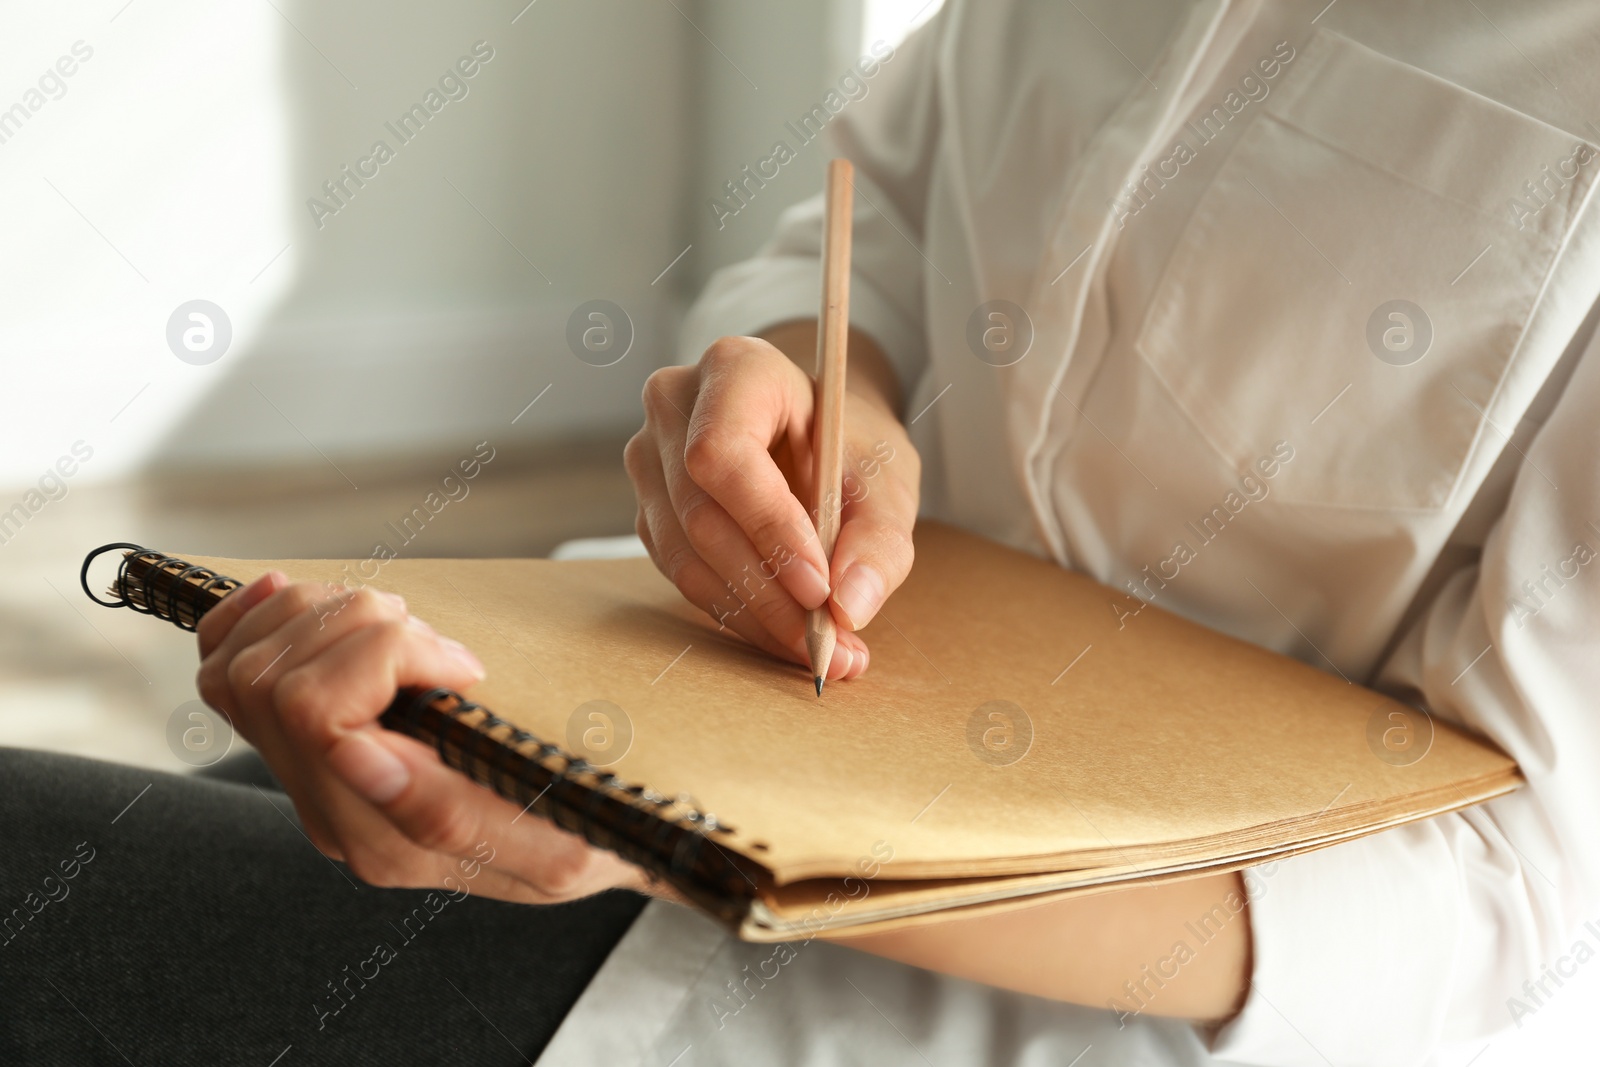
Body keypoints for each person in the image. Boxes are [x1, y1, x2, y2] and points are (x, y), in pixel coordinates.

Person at [8, 2, 1600, 1064]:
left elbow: (1508, 890)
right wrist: (811, 383)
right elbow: (877, 211)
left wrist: (741, 836)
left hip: (1002, 1008)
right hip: (652, 714)